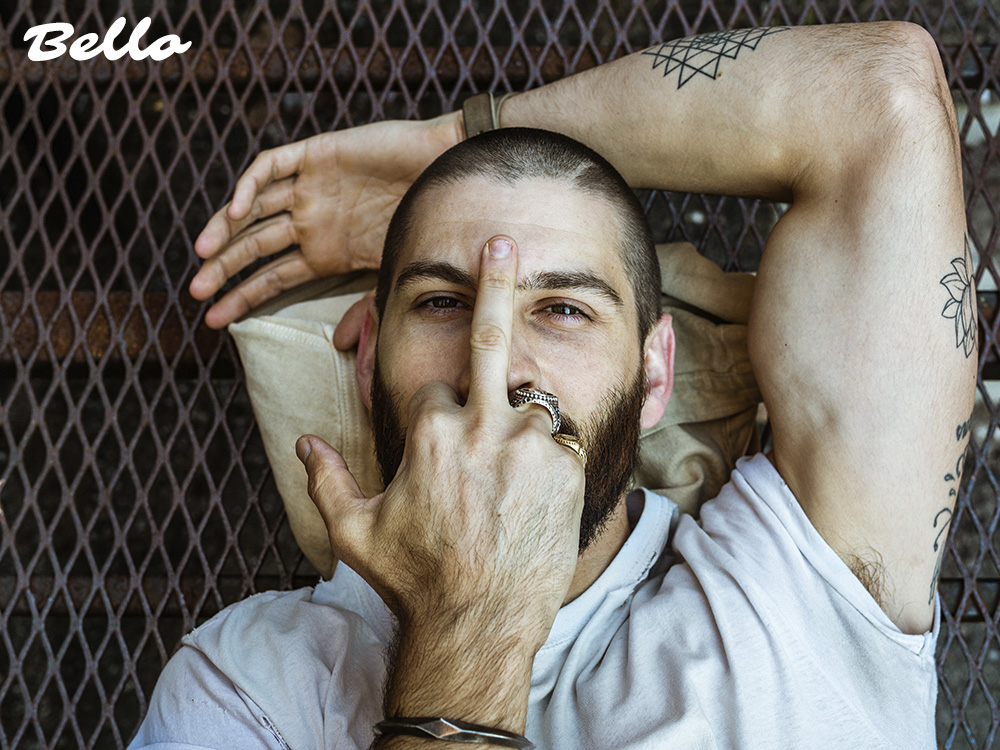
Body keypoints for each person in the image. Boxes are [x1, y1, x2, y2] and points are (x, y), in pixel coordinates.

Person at [131, 21, 976, 749]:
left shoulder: (799, 587)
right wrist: (469, 615)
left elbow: (884, 92)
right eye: (442, 302)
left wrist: (455, 142)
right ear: (366, 359)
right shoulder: (246, 682)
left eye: (565, 309)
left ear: (654, 372)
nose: (498, 361)